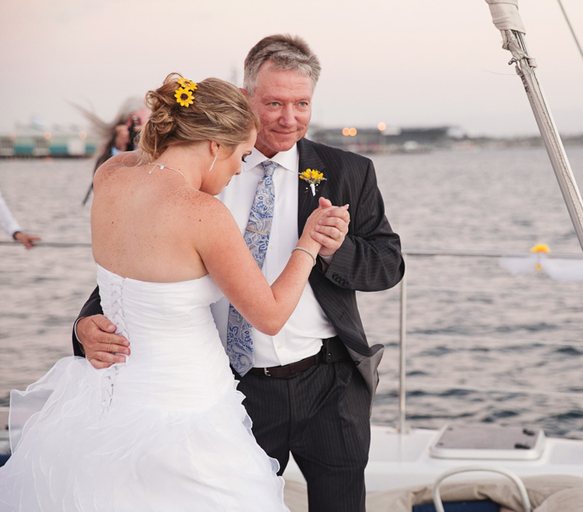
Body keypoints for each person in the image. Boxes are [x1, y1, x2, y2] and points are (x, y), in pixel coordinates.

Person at [75, 35, 405, 512]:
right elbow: (135, 264)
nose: (289, 118)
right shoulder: (197, 175)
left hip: (329, 384)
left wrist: (335, 249)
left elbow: (389, 264)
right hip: (231, 387)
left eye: (301, 103)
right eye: (274, 103)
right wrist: (86, 324)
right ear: (246, 97)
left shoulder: (348, 170)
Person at [0, 73, 344, 510]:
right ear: (214, 146)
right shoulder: (202, 212)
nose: (240, 168)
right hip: (187, 410)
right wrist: (309, 243)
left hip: (107, 401)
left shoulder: (111, 174)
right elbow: (271, 315)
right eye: (240, 155)